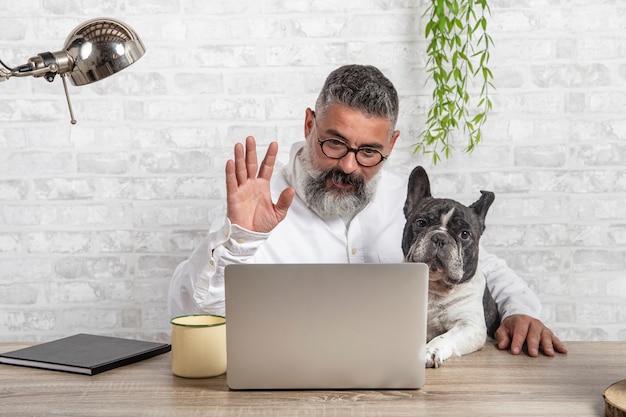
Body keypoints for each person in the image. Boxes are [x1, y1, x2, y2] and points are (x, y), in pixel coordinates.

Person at [168, 64, 567, 358]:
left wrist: (519, 311)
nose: (348, 166)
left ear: (391, 145)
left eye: (369, 152)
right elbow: (192, 314)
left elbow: (484, 266)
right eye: (334, 144)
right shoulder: (256, 205)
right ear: (309, 123)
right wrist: (240, 239)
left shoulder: (412, 208)